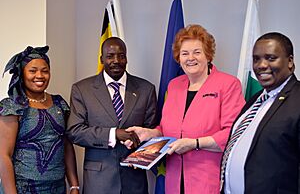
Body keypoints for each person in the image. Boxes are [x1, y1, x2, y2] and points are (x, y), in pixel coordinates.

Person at [126, 24, 245, 194]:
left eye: (197, 52)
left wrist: (194, 144)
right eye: (185, 53)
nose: (190, 58)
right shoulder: (174, 86)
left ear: (208, 55)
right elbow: (167, 129)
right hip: (174, 178)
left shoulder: (228, 84)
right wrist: (149, 133)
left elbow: (233, 134)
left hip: (208, 179)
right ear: (178, 58)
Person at [66, 37, 157, 194]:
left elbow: (153, 131)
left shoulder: (146, 89)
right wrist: (113, 134)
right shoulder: (82, 89)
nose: (116, 60)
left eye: (121, 56)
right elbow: (75, 131)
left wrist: (141, 154)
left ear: (126, 58)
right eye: (110, 56)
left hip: (134, 180)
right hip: (99, 182)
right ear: (102, 59)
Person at [220, 32, 300, 194]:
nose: (261, 65)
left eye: (271, 58)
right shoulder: (256, 99)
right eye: (256, 59)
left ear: (290, 62)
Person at [0, 46, 79, 193]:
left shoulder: (59, 103)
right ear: (21, 74)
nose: (40, 75)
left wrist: (74, 185)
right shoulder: (12, 106)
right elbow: (4, 155)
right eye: (32, 71)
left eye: (45, 71)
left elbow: (67, 146)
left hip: (57, 187)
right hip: (24, 188)